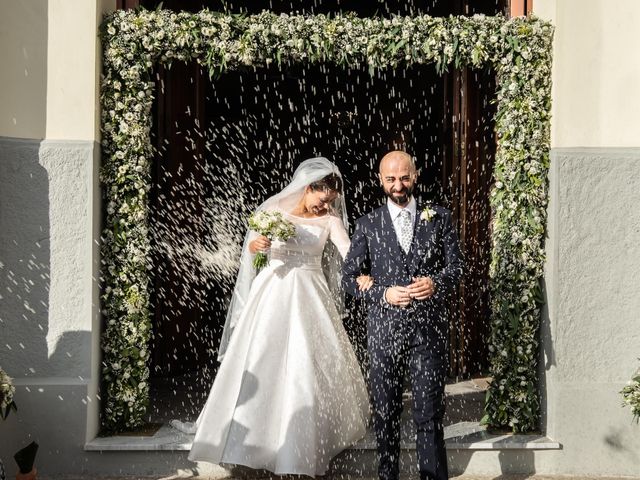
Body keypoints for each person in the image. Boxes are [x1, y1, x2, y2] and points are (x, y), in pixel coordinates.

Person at [174, 157, 371, 477]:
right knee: (262, 358)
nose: (325, 206)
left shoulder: (331, 221)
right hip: (271, 294)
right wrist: (257, 245)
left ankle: (302, 440)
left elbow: (349, 255)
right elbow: (252, 254)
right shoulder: (271, 212)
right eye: (323, 198)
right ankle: (252, 435)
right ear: (309, 188)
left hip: (310, 293)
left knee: (305, 364)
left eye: (331, 201)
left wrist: (364, 272)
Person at [342, 151, 463, 480]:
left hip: (428, 334)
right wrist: (382, 292)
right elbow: (348, 278)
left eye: (405, 177)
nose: (399, 185)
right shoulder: (367, 224)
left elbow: (457, 268)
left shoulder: (440, 217)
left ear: (416, 175)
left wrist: (435, 283)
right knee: (386, 415)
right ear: (380, 180)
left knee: (429, 415)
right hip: (383, 336)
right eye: (391, 179)